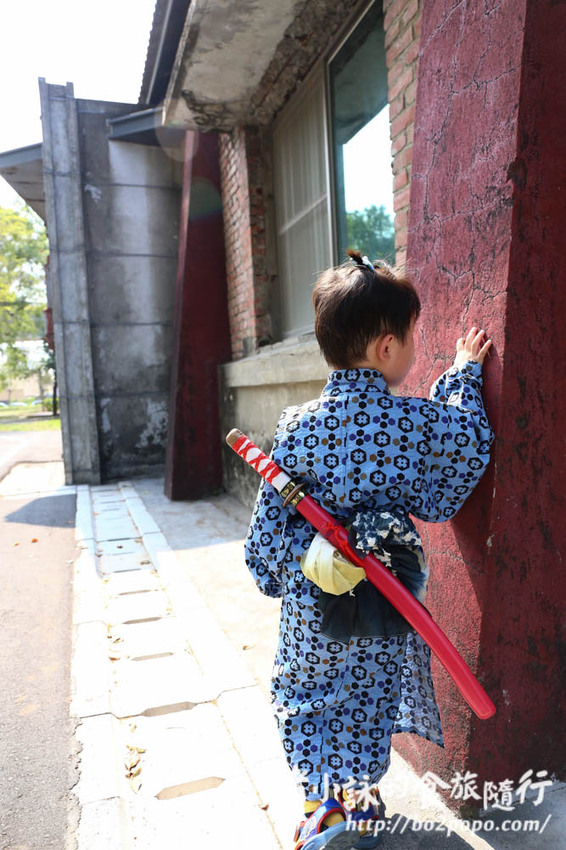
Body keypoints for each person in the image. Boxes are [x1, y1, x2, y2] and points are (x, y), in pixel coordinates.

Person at [244, 251, 493, 849]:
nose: (413, 348)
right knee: (366, 699)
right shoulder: (412, 425)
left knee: (306, 697)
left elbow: (265, 544)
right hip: (385, 605)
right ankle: (355, 803)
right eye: (411, 337)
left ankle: (325, 808)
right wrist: (462, 373)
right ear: (386, 348)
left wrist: (292, 567)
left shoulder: (297, 426)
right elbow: (465, 444)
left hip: (314, 607)